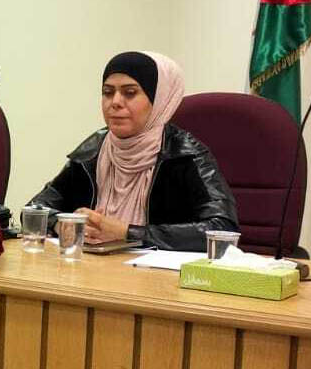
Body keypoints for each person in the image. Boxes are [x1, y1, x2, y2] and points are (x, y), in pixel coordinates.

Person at [29, 50, 238, 251]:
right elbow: (34, 210)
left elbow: (223, 231)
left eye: (129, 93)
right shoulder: (93, 150)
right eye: (107, 93)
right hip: (94, 266)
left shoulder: (185, 154)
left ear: (158, 100)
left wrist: (127, 232)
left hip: (157, 273)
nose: (115, 102)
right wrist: (62, 224)